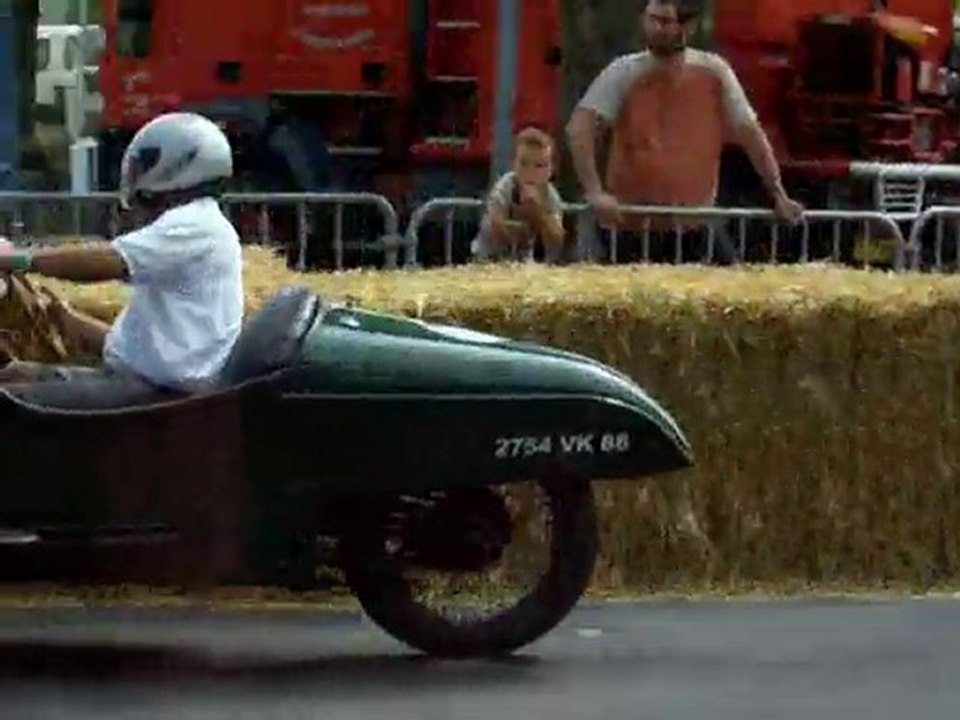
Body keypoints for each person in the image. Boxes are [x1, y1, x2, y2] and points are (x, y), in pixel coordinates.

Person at [0, 111, 244, 399]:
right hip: (147, 380)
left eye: (146, 165)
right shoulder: (196, 226)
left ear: (178, 166)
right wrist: (55, 313)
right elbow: (124, 348)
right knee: (14, 374)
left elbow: (109, 260)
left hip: (161, 391)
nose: (137, 176)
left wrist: (20, 259)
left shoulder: (194, 224)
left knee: (11, 401)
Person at [565, 0, 804, 265]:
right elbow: (580, 128)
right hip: (631, 224)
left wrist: (778, 193)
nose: (655, 27)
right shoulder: (623, 72)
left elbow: (750, 132)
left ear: (688, 27)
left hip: (694, 225)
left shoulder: (714, 72)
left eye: (664, 21)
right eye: (651, 18)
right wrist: (594, 191)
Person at [471, 126, 566, 264]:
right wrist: (516, 229)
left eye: (539, 165)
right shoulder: (505, 187)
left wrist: (539, 214)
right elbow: (495, 225)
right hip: (489, 260)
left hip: (527, 263)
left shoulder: (550, 195)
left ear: (550, 171)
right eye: (523, 164)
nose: (530, 172)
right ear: (513, 164)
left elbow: (558, 239)